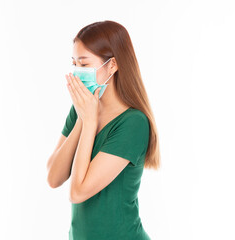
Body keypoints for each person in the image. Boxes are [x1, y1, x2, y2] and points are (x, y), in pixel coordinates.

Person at [46, 20, 161, 240]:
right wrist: (82, 119)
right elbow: (54, 178)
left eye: (85, 65)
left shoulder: (133, 123)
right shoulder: (81, 110)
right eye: (74, 64)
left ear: (112, 65)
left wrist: (89, 121)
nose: (77, 73)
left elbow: (78, 192)